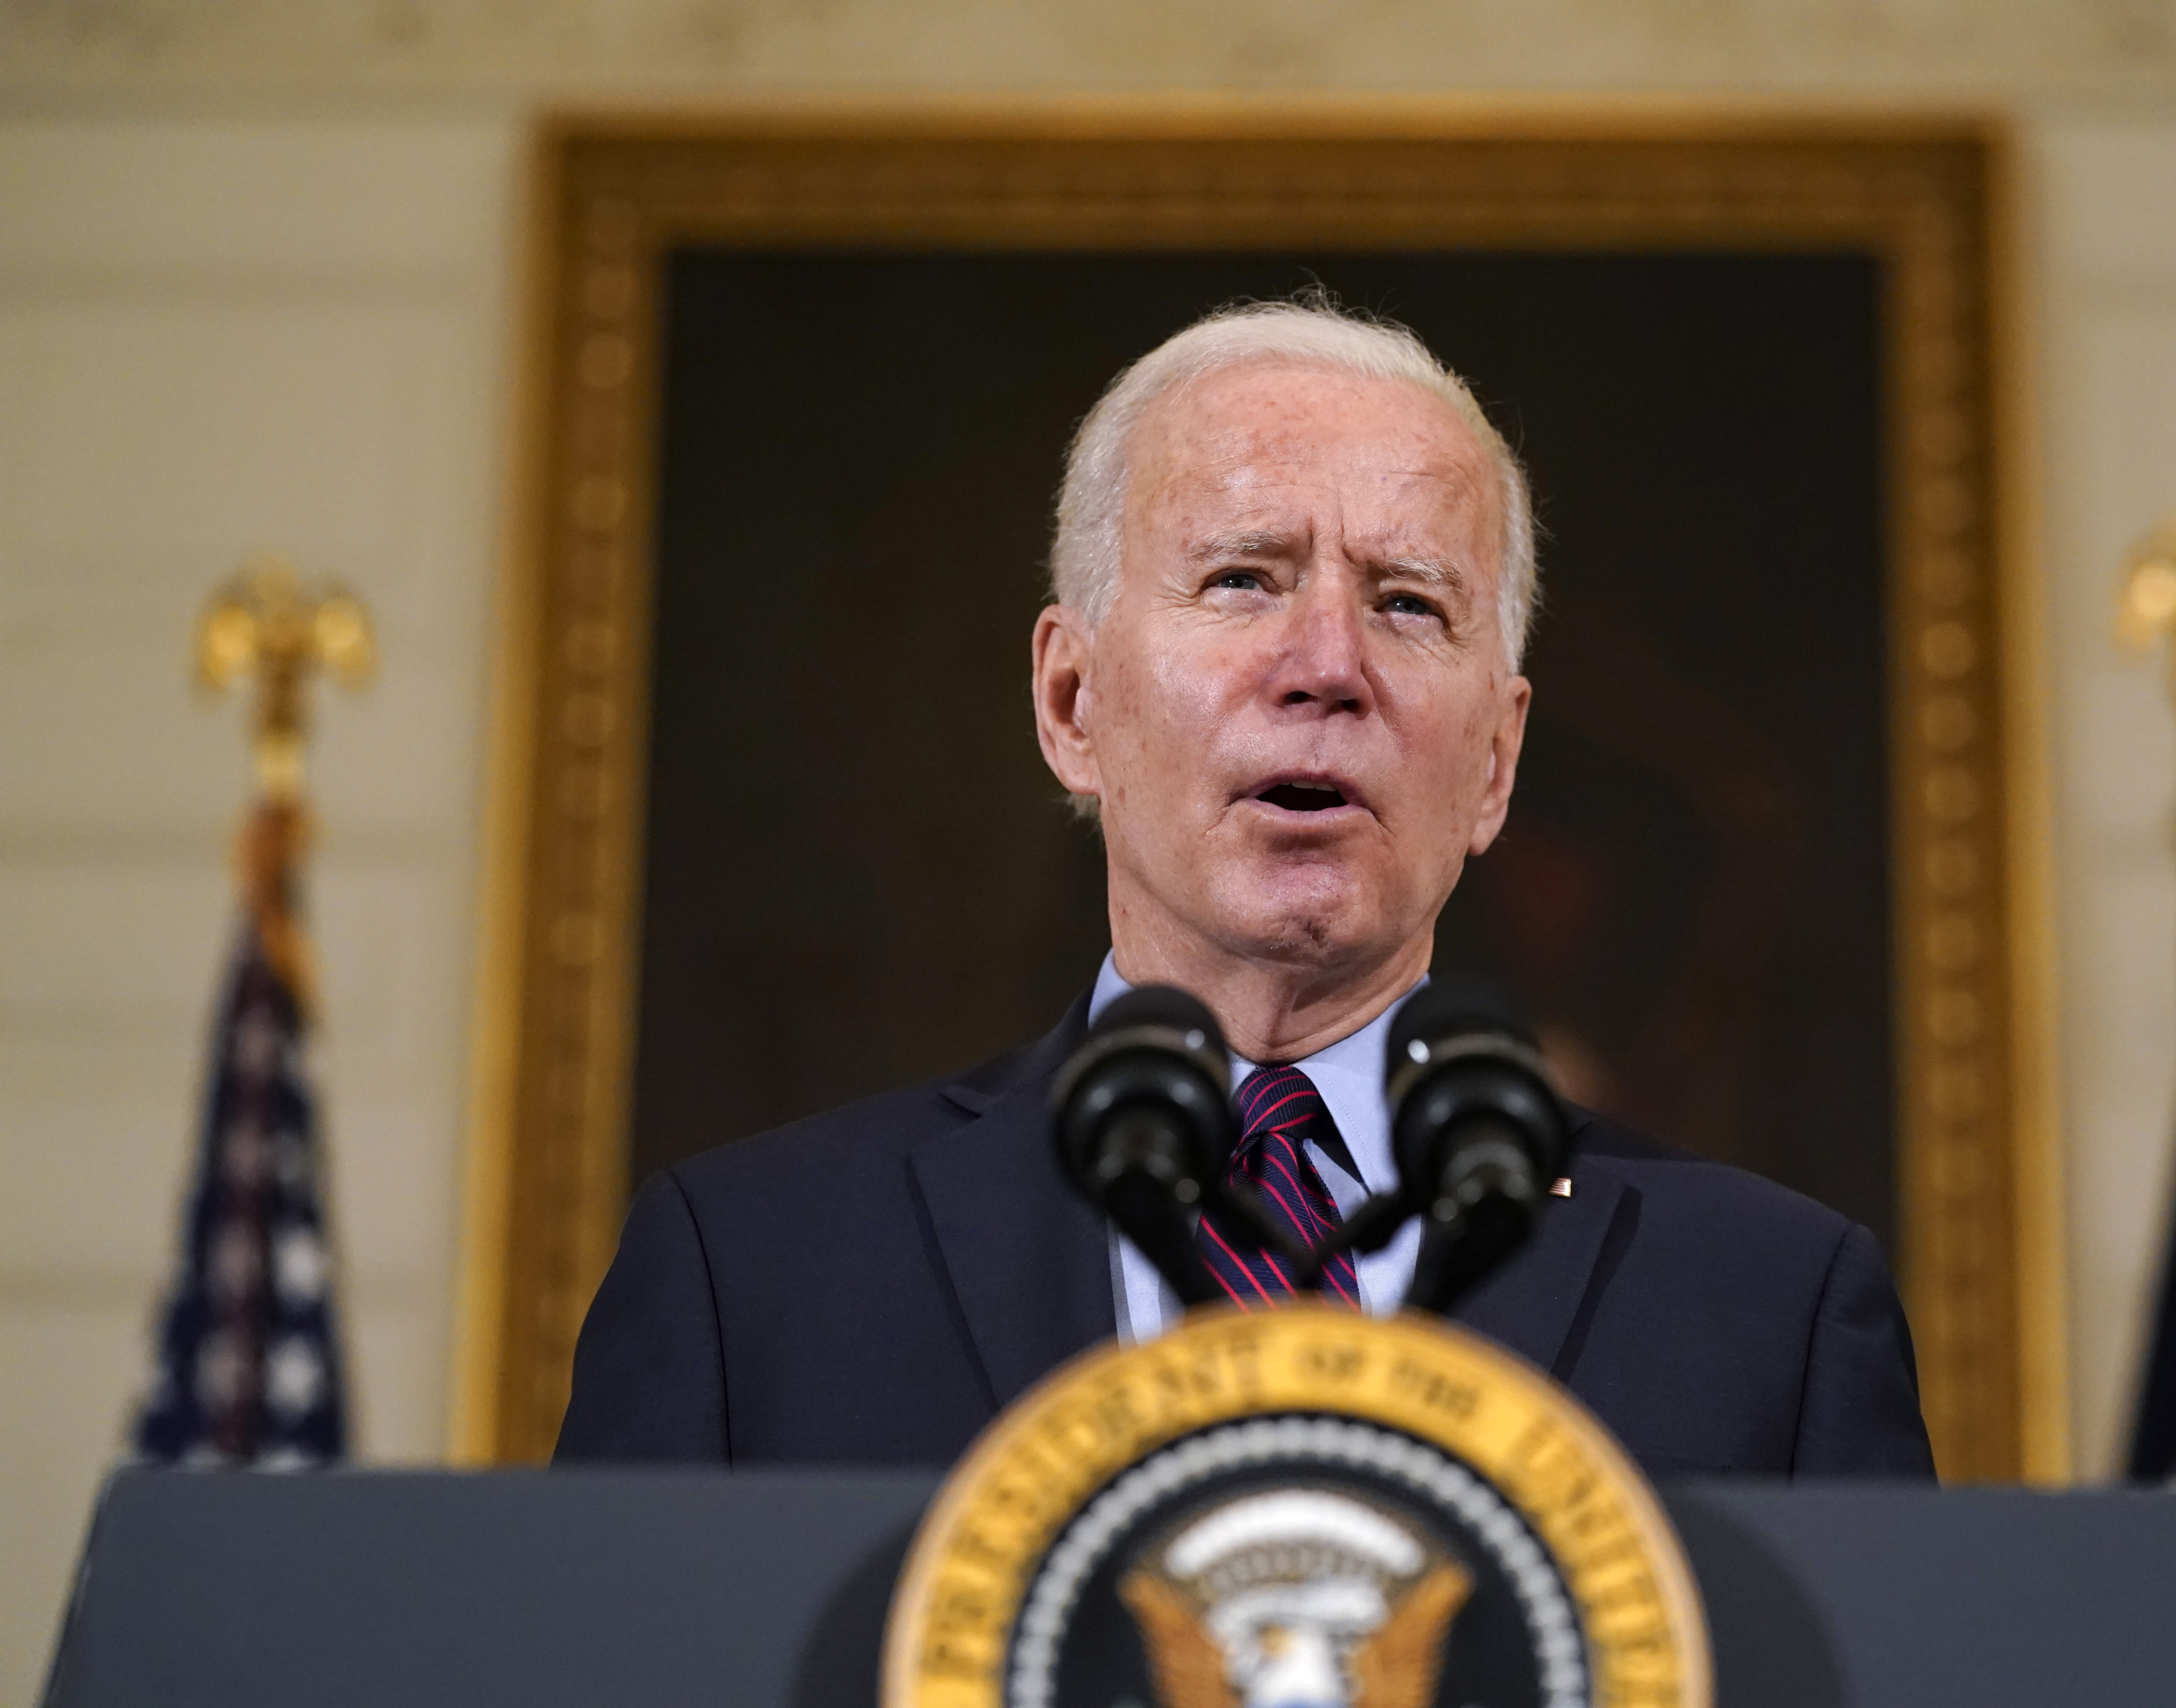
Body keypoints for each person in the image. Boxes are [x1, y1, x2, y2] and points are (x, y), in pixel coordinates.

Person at [556, 299, 1933, 1478]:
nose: (1327, 663)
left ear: (1498, 761)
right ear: (1070, 701)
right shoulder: (750, 1278)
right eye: (1241, 579)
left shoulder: (1774, 1312)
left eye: (1407, 602)